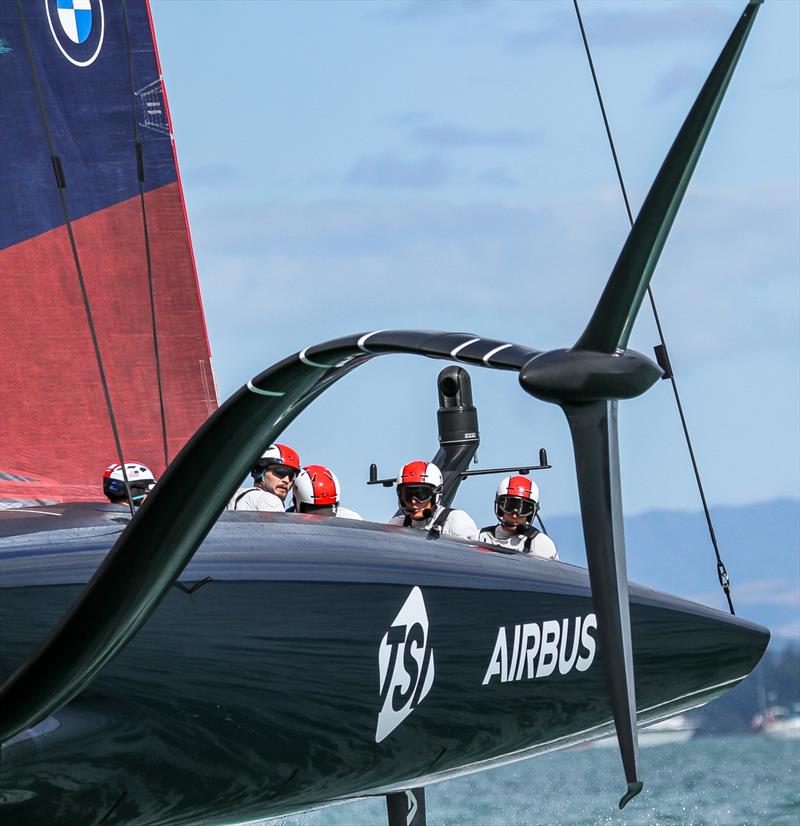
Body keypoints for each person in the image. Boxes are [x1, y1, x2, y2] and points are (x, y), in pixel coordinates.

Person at [388, 460, 478, 540]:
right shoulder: (396, 524)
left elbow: (473, 555)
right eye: (408, 495)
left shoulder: (455, 520)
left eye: (421, 494)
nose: (413, 501)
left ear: (436, 494)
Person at [478, 475, 559, 559]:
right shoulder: (479, 537)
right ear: (500, 508)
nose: (514, 515)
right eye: (509, 506)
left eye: (523, 509)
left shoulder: (541, 545)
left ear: (531, 513)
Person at [228, 443, 300, 511]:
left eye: (291, 476)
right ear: (259, 471)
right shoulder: (269, 500)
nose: (287, 480)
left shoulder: (232, 496)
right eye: (281, 471)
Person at [292, 465, 363, 520]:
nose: (320, 517)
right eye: (312, 509)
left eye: (328, 508)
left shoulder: (351, 520)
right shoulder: (288, 522)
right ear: (295, 502)